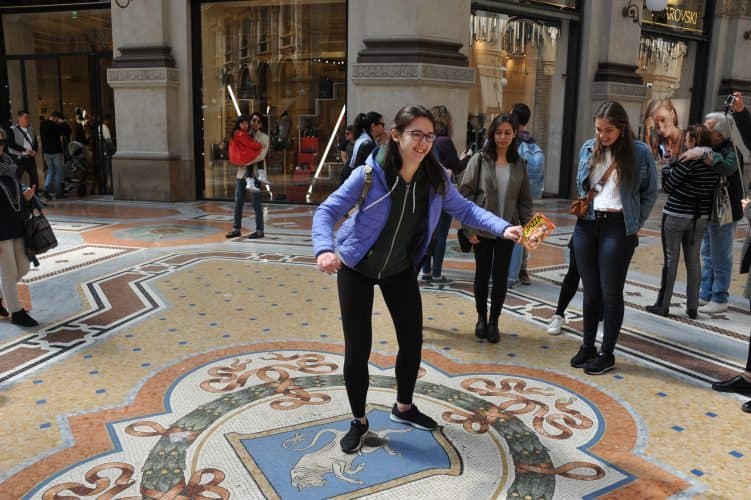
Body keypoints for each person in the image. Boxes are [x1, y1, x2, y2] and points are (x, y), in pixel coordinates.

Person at [311, 104, 523, 453]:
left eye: (429, 136)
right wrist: (323, 249)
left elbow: (465, 209)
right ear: (397, 135)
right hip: (356, 266)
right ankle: (359, 421)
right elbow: (328, 211)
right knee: (358, 347)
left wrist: (503, 227)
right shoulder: (370, 173)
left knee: (411, 339)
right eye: (416, 135)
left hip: (399, 268)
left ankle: (404, 407)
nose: (423, 143)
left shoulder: (435, 177)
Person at [569, 101, 657, 375]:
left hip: (617, 228)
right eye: (598, 129)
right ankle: (587, 346)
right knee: (590, 290)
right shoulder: (588, 147)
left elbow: (650, 192)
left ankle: (607, 351)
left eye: (608, 130)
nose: (602, 135)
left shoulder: (640, 152)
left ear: (621, 127)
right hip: (587, 224)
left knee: (611, 292)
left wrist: (635, 222)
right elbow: (580, 183)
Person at [458, 113, 533, 344]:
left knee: (501, 278)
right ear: (492, 134)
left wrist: (527, 231)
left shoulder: (519, 164)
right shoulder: (480, 160)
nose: (502, 137)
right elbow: (465, 194)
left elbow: (524, 200)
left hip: (507, 231)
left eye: (507, 133)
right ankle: (481, 317)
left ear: (514, 135)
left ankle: (494, 321)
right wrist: (468, 229)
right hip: (481, 229)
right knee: (482, 275)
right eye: (498, 132)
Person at [647, 124, 717, 319]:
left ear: (693, 140)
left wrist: (668, 164)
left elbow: (668, 186)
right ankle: (692, 307)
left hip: (677, 215)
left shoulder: (687, 160)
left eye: (687, 139)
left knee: (671, 260)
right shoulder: (713, 162)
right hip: (700, 217)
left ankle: (663, 305)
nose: (685, 142)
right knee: (694, 260)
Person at [680, 112, 743, 314]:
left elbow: (729, 167)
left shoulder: (729, 148)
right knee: (707, 254)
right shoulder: (712, 148)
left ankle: (720, 296)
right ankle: (706, 293)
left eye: (708, 129)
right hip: (711, 210)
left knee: (720, 254)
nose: (703, 131)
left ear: (720, 133)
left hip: (725, 212)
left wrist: (707, 156)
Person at [420, 105, 465, 284]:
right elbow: (457, 167)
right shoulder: (445, 141)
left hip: (428, 194)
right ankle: (437, 273)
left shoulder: (430, 141)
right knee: (440, 235)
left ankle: (426, 271)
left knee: (429, 233)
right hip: (443, 192)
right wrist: (466, 158)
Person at [0, 128, 38, 327]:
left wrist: (25, 194)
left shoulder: (8, 165)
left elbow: (14, 189)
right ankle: (17, 312)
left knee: (22, 267)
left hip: (16, 225)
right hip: (1, 232)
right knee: (8, 272)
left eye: (0, 142)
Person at [508, 103, 546, 286]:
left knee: (512, 228)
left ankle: (511, 270)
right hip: (529, 194)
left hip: (513, 191)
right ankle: (523, 270)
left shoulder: (512, 141)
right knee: (529, 227)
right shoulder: (532, 143)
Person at [226, 113, 269, 239]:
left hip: (255, 174)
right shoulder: (242, 134)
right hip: (241, 174)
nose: (254, 122)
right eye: (253, 120)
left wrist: (245, 160)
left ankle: (259, 230)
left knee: (256, 203)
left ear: (261, 124)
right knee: (238, 201)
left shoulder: (264, 137)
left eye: (258, 121)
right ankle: (236, 229)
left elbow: (261, 155)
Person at [546, 238, 580, 335]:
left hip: (611, 233)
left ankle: (600, 319)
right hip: (584, 231)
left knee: (601, 277)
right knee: (574, 271)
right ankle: (558, 314)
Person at [339, 111, 384, 185]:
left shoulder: (362, 139)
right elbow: (373, 169)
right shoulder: (368, 144)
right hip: (354, 185)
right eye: (382, 124)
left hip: (349, 179)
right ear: (373, 126)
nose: (384, 128)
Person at [39, 111, 71, 200]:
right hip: (56, 152)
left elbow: (41, 137)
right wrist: (63, 123)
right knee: (58, 172)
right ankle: (58, 193)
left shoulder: (43, 124)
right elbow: (68, 131)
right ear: (56, 118)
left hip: (46, 152)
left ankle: (45, 189)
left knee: (51, 171)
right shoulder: (55, 125)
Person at [6, 110, 39, 189]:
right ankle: (15, 196)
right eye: (26, 118)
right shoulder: (12, 129)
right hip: (19, 158)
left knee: (34, 179)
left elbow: (35, 143)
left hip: (30, 157)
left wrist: (35, 150)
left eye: (29, 118)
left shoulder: (31, 129)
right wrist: (24, 150)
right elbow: (11, 144)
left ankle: (34, 197)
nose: (28, 120)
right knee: (16, 178)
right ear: (19, 118)